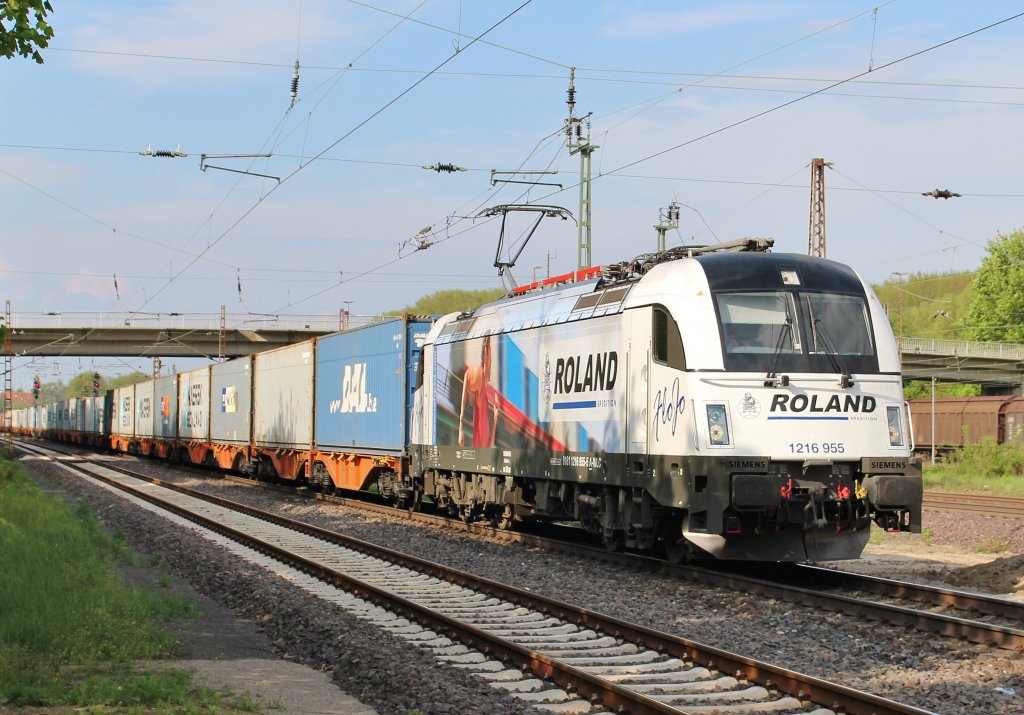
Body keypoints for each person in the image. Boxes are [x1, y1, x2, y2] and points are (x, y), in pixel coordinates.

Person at [458, 335, 499, 448]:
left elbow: (464, 396)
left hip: (480, 447)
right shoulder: (479, 377)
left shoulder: (475, 376)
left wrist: (495, 418)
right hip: (480, 445)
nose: (490, 362)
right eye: (490, 359)